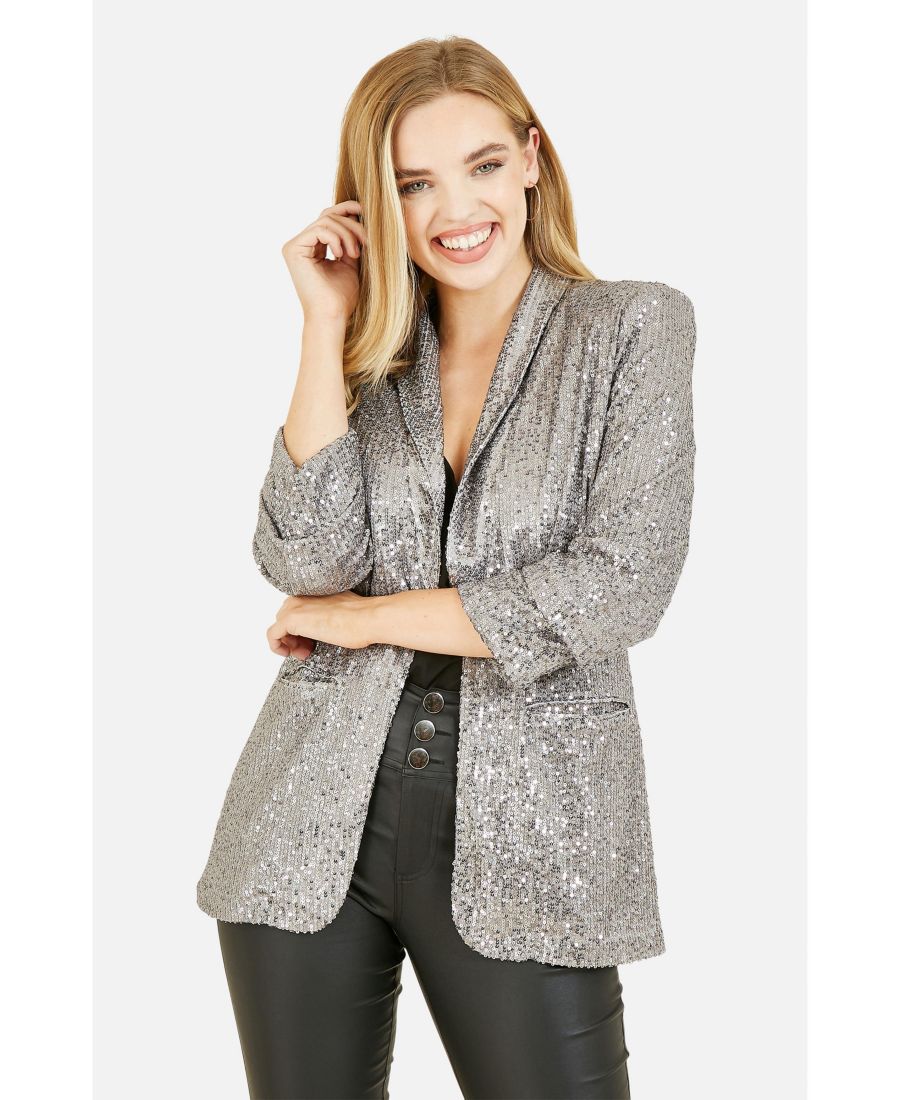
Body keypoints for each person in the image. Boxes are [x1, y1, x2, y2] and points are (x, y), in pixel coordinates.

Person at [197, 35, 696, 1100]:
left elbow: (621, 584)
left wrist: (368, 618)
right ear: (376, 202)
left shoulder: (630, 327)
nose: (454, 209)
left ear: (532, 159)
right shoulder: (375, 357)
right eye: (413, 183)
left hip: (537, 833)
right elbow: (303, 557)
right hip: (308, 820)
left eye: (482, 164)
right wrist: (327, 325)